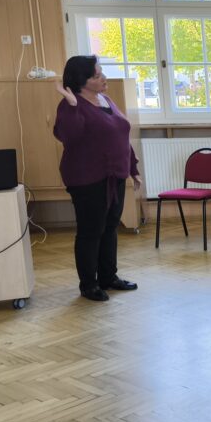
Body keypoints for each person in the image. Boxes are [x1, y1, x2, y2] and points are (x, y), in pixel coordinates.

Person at [53, 56, 141, 302]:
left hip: (115, 176)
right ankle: (88, 285)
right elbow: (68, 136)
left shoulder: (106, 99)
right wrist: (72, 104)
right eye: (97, 75)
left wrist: (133, 169)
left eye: (101, 72)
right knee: (91, 231)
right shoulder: (70, 106)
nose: (103, 78)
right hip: (87, 179)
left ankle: (108, 277)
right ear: (82, 81)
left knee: (110, 227)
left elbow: (120, 135)